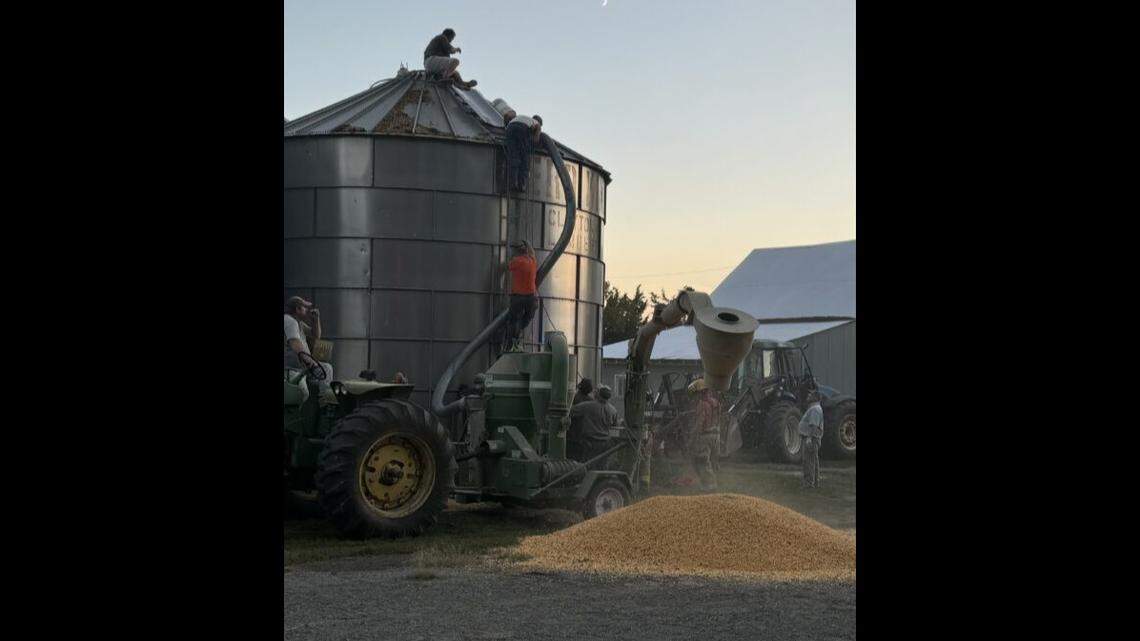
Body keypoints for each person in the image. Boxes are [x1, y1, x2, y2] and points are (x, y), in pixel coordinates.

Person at [284, 296, 337, 405]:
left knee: (326, 368)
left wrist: (316, 320)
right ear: (297, 309)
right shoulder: (289, 321)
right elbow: (295, 344)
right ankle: (325, 403)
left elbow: (315, 336)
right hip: (291, 369)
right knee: (304, 392)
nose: (307, 310)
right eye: (304, 307)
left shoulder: (298, 323)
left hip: (301, 367)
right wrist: (311, 364)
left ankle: (325, 401)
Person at [503, 240, 538, 351]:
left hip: (518, 297)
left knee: (512, 320)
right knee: (528, 317)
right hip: (531, 298)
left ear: (518, 252)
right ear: (526, 251)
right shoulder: (532, 261)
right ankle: (518, 334)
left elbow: (507, 266)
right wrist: (528, 243)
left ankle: (511, 344)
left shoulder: (516, 262)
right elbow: (532, 252)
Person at [687, 378, 720, 492]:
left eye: (695, 394)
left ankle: (710, 488)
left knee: (701, 461)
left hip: (705, 436)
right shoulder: (715, 402)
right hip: (715, 435)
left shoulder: (702, 405)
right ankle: (712, 484)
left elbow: (699, 424)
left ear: (700, 392)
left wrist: (691, 439)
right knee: (712, 461)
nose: (694, 398)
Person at [568, 394, 615, 467]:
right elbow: (615, 424)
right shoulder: (613, 410)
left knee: (586, 466)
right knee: (602, 466)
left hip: (590, 442)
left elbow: (570, 411)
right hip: (605, 443)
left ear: (598, 395)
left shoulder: (588, 406)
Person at [503, 111, 543, 193]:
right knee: (524, 159)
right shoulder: (537, 124)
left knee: (513, 157)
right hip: (522, 129)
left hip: (509, 129)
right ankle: (521, 185)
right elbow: (536, 140)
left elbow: (507, 115)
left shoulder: (522, 117)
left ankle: (513, 183)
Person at [798, 392, 824, 488]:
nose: (808, 396)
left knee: (808, 460)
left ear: (815, 398)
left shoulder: (815, 409)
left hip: (811, 438)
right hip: (813, 438)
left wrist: (809, 438)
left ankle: (809, 483)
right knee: (813, 460)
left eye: (810, 395)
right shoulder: (814, 408)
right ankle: (815, 481)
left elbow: (813, 425)